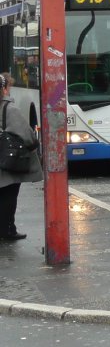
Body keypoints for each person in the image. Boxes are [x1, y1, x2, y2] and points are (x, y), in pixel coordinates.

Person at [0, 72, 43, 240]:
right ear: (3, 89)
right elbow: (27, 134)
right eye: (8, 86)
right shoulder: (8, 109)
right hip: (6, 161)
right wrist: (34, 145)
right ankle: (7, 230)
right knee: (8, 196)